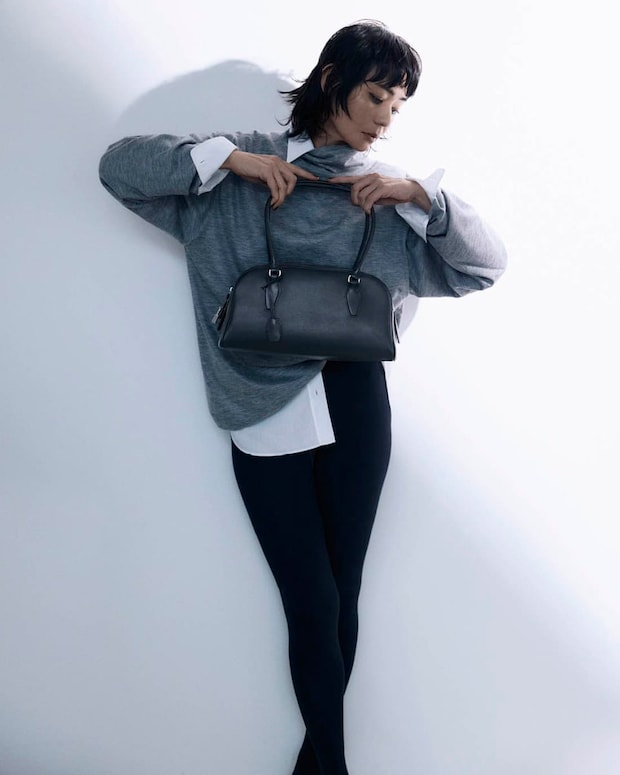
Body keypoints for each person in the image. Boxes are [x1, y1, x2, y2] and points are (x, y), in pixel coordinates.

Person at [99, 19, 507, 775]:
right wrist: (228, 159)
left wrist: (421, 194)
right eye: (376, 95)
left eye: (398, 105)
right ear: (331, 80)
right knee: (311, 600)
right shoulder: (238, 170)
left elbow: (486, 266)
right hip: (258, 402)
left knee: (341, 595)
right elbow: (118, 168)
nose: (386, 119)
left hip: (355, 399)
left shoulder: (384, 195)